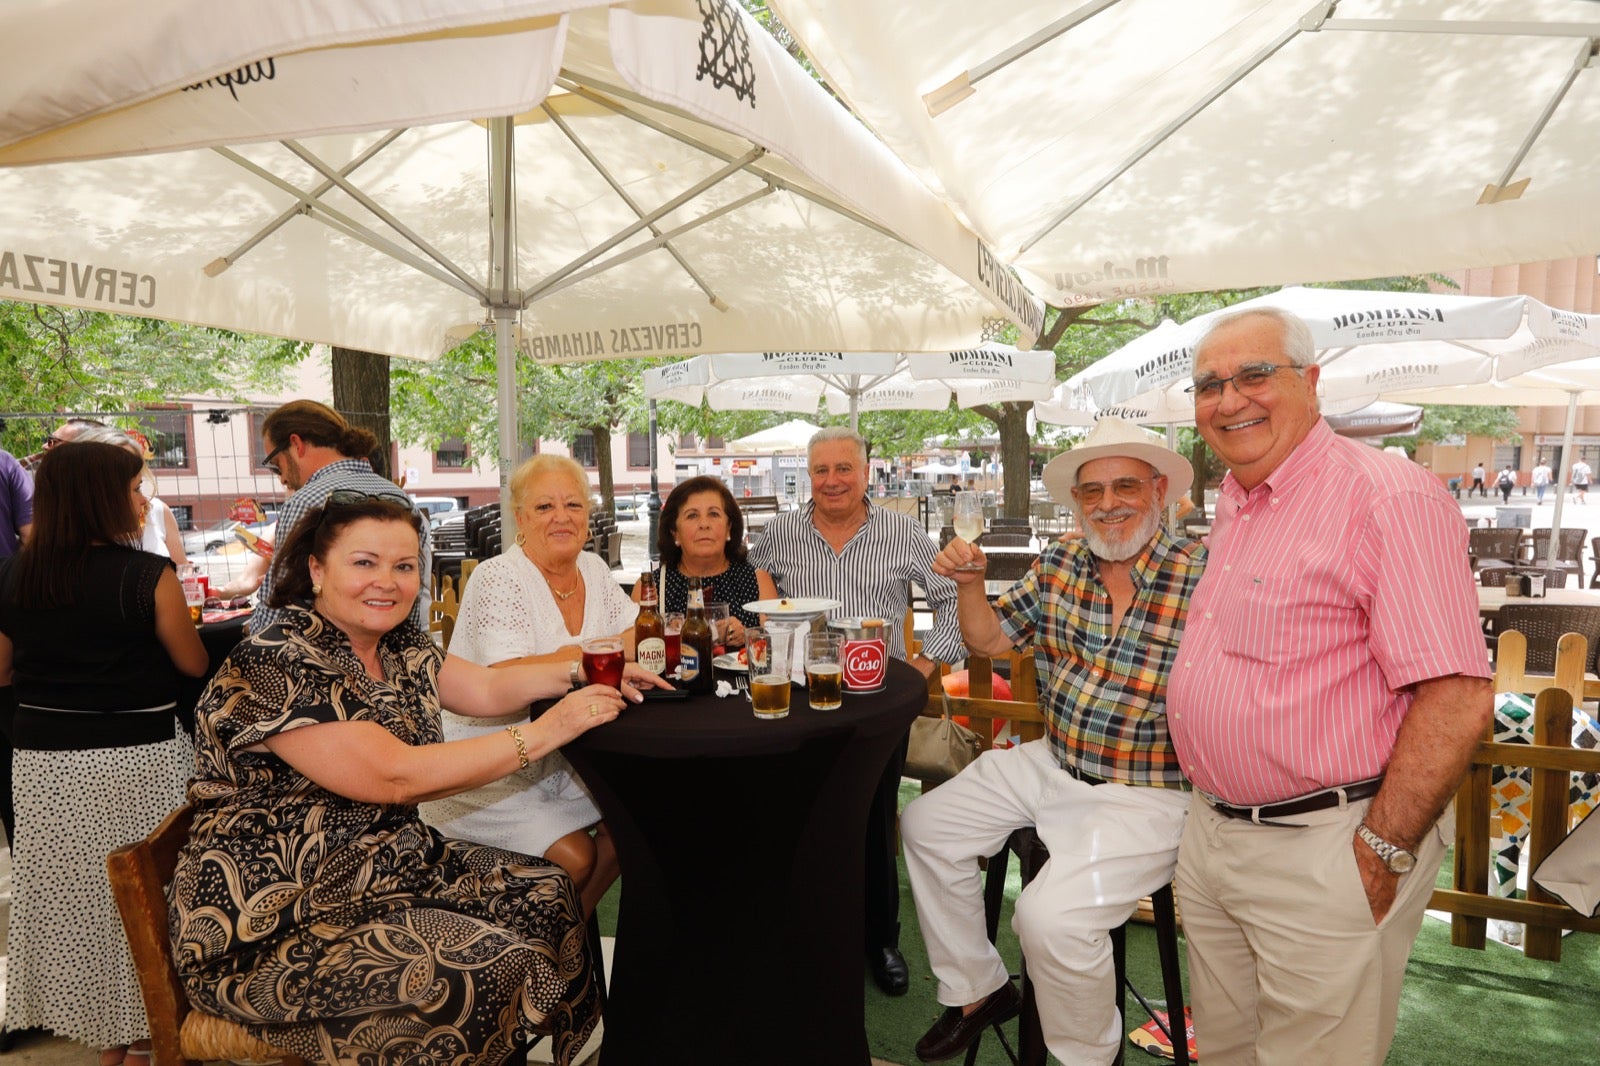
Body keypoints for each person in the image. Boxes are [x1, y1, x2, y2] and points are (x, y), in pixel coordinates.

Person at [170, 492, 661, 1066]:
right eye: (364, 562)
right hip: (275, 918)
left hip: (385, 870)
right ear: (316, 569)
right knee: (477, 968)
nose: (387, 582)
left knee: (549, 894)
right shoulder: (274, 661)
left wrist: (586, 667)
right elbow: (396, 778)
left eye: (404, 566)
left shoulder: (396, 643)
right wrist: (552, 729)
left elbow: (482, 690)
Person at [1166, 307, 1492, 1065]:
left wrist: (1381, 852)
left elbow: (1457, 695)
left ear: (1311, 383)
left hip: (1326, 845)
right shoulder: (1238, 499)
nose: (1229, 398)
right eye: (1208, 384)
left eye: (1254, 374)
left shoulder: (1388, 497)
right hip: (1216, 833)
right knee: (1224, 1050)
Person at [905, 418, 1205, 1064]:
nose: (1106, 503)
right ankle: (979, 991)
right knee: (926, 825)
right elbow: (988, 642)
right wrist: (967, 585)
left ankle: (1087, 1058)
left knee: (1050, 921)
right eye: (1090, 491)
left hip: (1149, 787)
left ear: (1159, 491)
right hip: (1055, 758)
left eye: (1124, 485)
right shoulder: (1062, 562)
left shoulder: (1204, 576)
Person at [0, 442, 207, 1066]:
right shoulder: (146, 575)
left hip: (44, 764)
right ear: (102, 498)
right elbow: (192, 662)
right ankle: (151, 1035)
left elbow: (2, 671)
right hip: (137, 759)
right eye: (134, 487)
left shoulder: (14, 575)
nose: (143, 499)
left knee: (74, 907)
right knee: (147, 900)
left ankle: (107, 1042)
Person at [748, 426, 964, 996]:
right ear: (807, 476)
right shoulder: (777, 535)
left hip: (875, 704)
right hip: (800, 700)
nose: (833, 480)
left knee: (872, 818)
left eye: (844, 468)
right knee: (798, 816)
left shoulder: (903, 531)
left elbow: (951, 604)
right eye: (821, 470)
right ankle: (803, 932)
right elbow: (755, 596)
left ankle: (879, 938)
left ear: (866, 472)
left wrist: (923, 669)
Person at [421, 455, 641, 916]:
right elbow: (514, 676)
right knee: (577, 857)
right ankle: (555, 949)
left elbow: (639, 637)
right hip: (490, 760)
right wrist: (597, 653)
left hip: (565, 755)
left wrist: (574, 656)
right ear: (519, 517)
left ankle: (560, 943)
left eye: (573, 505)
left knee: (634, 828)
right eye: (544, 507)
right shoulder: (498, 576)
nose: (562, 517)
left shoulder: (594, 569)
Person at [222, 400, 429, 630]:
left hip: (319, 656)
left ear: (296, 444)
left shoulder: (307, 501)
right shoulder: (402, 499)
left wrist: (252, 643)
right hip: (398, 650)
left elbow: (279, 603)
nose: (281, 478)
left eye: (277, 465)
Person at [635, 475, 779, 644]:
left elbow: (777, 650)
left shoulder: (758, 582)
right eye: (692, 516)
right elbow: (635, 654)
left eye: (713, 514)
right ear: (675, 532)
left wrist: (749, 637)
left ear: (729, 528)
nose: (704, 524)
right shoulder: (649, 589)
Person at [72, 426, 189, 566]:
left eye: (138, 486)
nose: (144, 500)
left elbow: (184, 575)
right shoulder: (70, 544)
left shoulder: (157, 511)